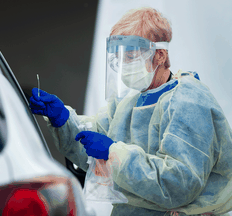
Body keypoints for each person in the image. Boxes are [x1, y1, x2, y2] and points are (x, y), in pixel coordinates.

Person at [29, 7, 232, 216]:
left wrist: (114, 154)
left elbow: (179, 185)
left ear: (160, 55)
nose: (124, 64)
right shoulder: (129, 104)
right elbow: (93, 151)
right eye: (119, 57)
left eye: (131, 55)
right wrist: (62, 120)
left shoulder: (189, 100)